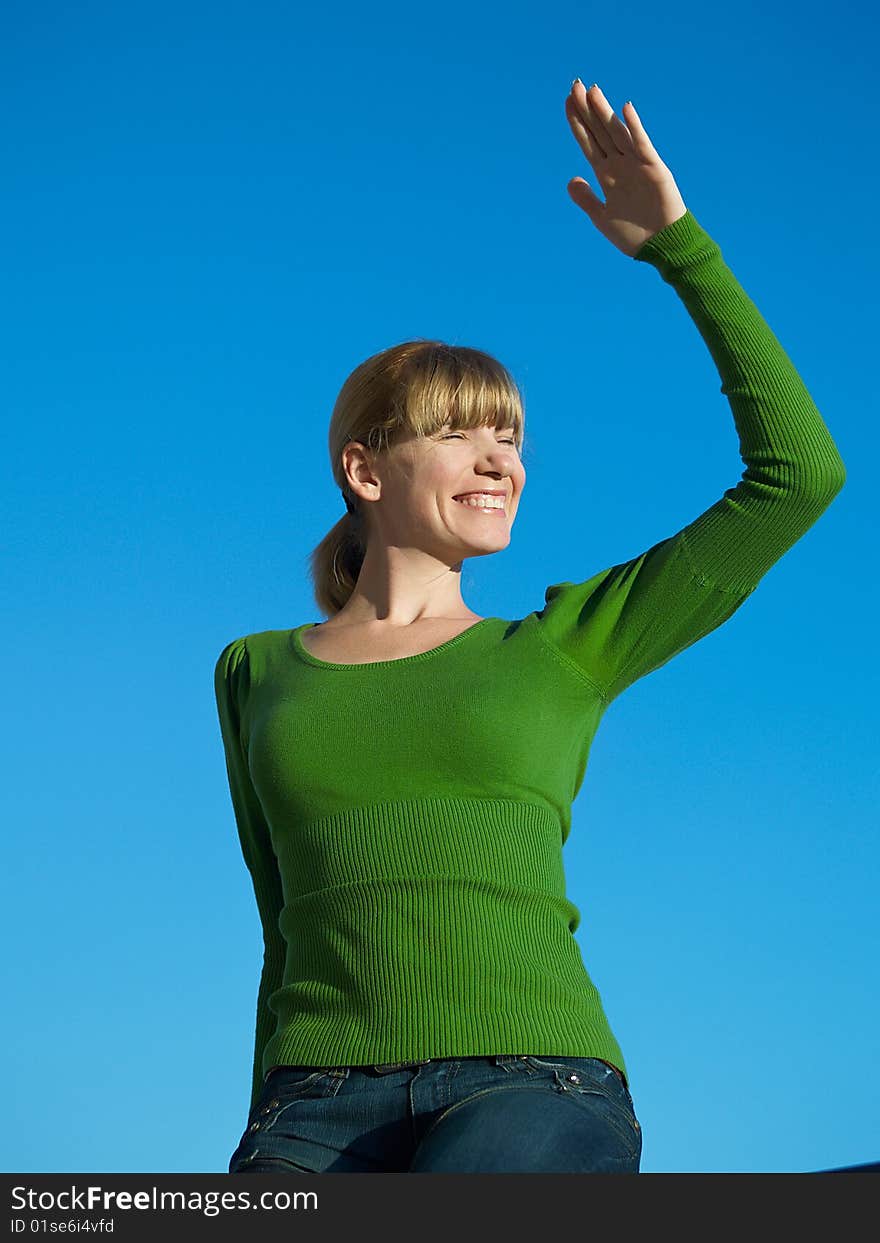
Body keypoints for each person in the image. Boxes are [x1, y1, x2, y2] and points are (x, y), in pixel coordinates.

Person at [213, 80, 846, 1174]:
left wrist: (679, 248)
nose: (502, 459)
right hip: (309, 1107)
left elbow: (799, 474)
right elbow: (283, 928)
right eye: (460, 433)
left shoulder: (562, 646)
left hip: (532, 1083)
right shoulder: (257, 672)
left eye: (510, 437)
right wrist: (263, 1128)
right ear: (364, 468)